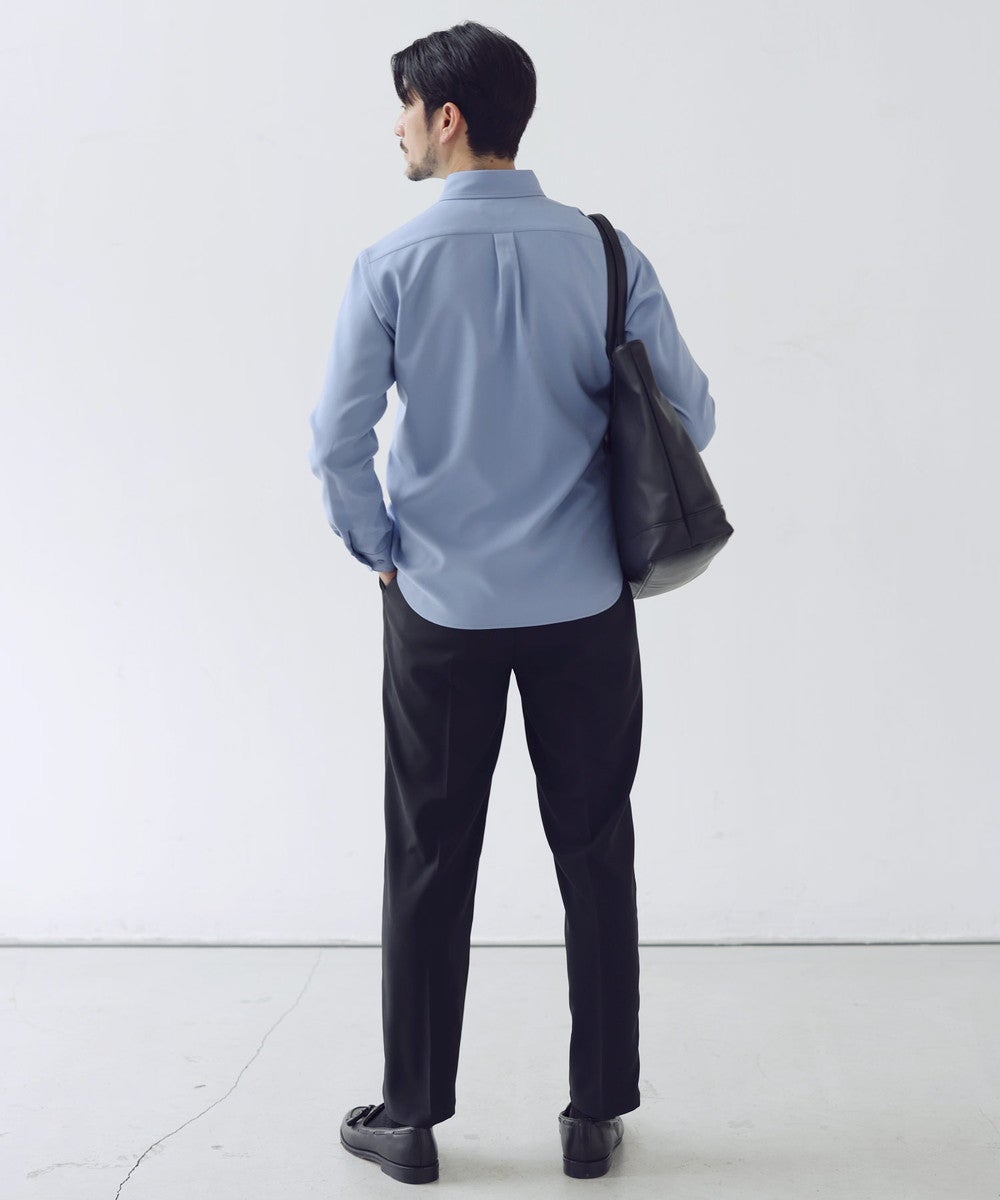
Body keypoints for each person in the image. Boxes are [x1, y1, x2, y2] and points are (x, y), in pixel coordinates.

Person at [308, 20, 716, 1185]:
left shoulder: (388, 264)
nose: (395, 129)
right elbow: (691, 415)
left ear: (446, 117)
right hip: (582, 603)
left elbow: (335, 442)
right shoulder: (602, 252)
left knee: (429, 853)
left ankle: (411, 1120)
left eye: (404, 108)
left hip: (439, 608)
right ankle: (594, 1114)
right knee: (593, 845)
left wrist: (380, 549)